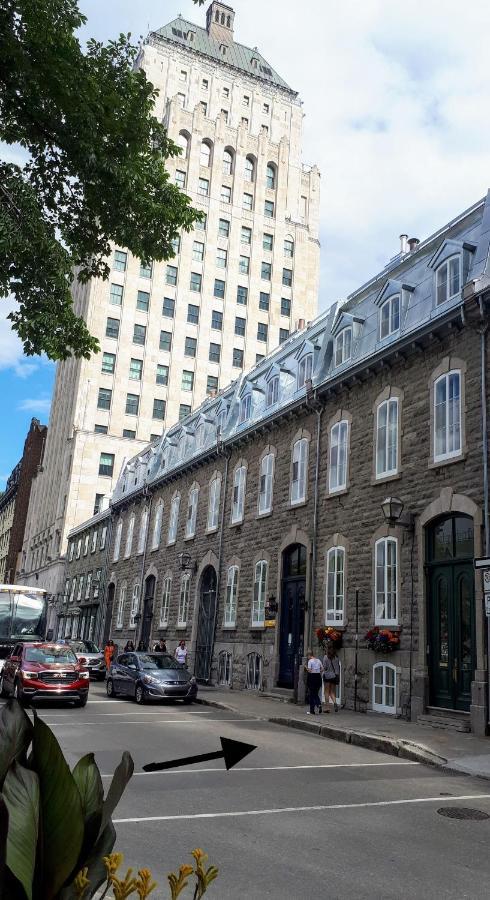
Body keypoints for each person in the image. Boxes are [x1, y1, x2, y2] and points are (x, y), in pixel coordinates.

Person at [323, 644, 340, 712]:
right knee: (332, 692)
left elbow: (325, 667)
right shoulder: (336, 657)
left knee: (326, 692)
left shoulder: (325, 657)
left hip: (327, 676)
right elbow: (337, 668)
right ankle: (335, 703)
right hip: (334, 676)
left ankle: (327, 708)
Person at [305, 649, 323, 715]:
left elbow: (309, 670)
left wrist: (306, 667)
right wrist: (318, 671)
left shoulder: (310, 661)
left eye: (307, 656)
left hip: (312, 677)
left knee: (312, 694)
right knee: (315, 693)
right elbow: (322, 668)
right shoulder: (318, 660)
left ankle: (313, 710)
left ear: (309, 655)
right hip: (318, 677)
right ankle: (318, 705)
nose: (307, 658)